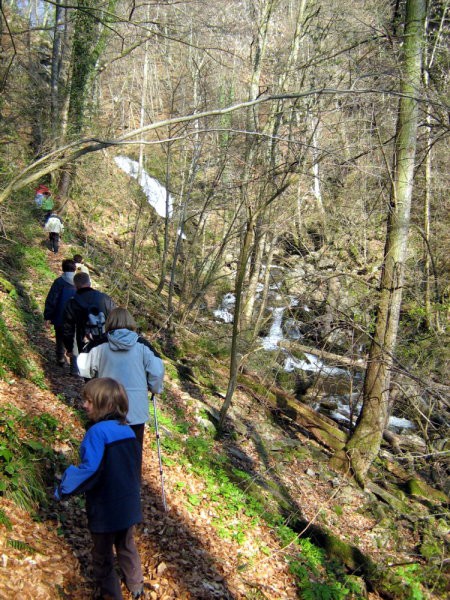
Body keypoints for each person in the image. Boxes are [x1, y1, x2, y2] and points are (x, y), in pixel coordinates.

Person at [55, 378, 145, 600]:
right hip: (128, 503)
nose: (84, 405)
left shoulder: (97, 433)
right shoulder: (128, 431)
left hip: (106, 507)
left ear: (106, 405)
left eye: (89, 401)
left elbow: (89, 470)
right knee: (126, 545)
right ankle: (136, 586)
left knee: (102, 555)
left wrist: (63, 488)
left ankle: (111, 595)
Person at [82, 307, 164, 451]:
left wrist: (91, 388)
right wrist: (154, 388)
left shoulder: (99, 344)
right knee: (133, 452)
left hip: (104, 406)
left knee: (104, 450)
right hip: (135, 410)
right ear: (131, 322)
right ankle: (131, 473)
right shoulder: (143, 346)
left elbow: (84, 368)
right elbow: (157, 371)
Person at [62, 272, 116, 374]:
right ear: (89, 282)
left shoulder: (72, 303)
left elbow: (67, 328)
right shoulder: (104, 298)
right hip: (107, 342)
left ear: (75, 285)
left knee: (89, 375)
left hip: (84, 343)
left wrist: (69, 348)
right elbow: (116, 318)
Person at [43, 259, 77, 366]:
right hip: (75, 318)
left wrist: (48, 316)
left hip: (60, 316)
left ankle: (60, 358)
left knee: (60, 337)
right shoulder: (80, 282)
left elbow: (52, 299)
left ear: (63, 268)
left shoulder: (59, 282)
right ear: (74, 269)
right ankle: (74, 367)